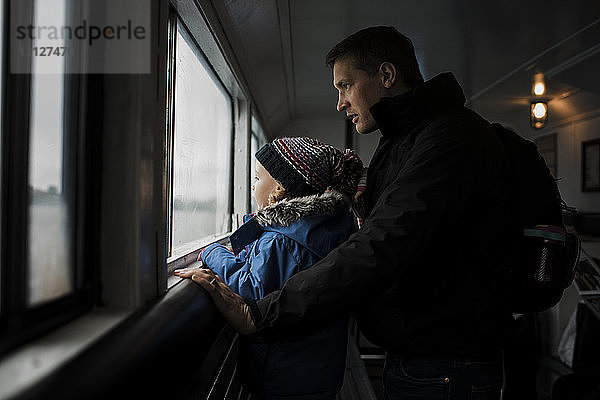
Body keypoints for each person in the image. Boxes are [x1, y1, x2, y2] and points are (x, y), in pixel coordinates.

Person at [192, 26, 513, 400]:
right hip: (422, 357)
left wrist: (260, 314)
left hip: (446, 366)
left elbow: (381, 245)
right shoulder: (403, 142)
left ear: (387, 76)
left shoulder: (449, 140)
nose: (340, 103)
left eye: (345, 85)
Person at [176, 137, 364, 400]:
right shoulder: (319, 228)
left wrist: (211, 252)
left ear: (279, 187)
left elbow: (252, 289)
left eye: (256, 178)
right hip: (315, 369)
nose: (253, 187)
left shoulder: (282, 240)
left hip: (284, 374)